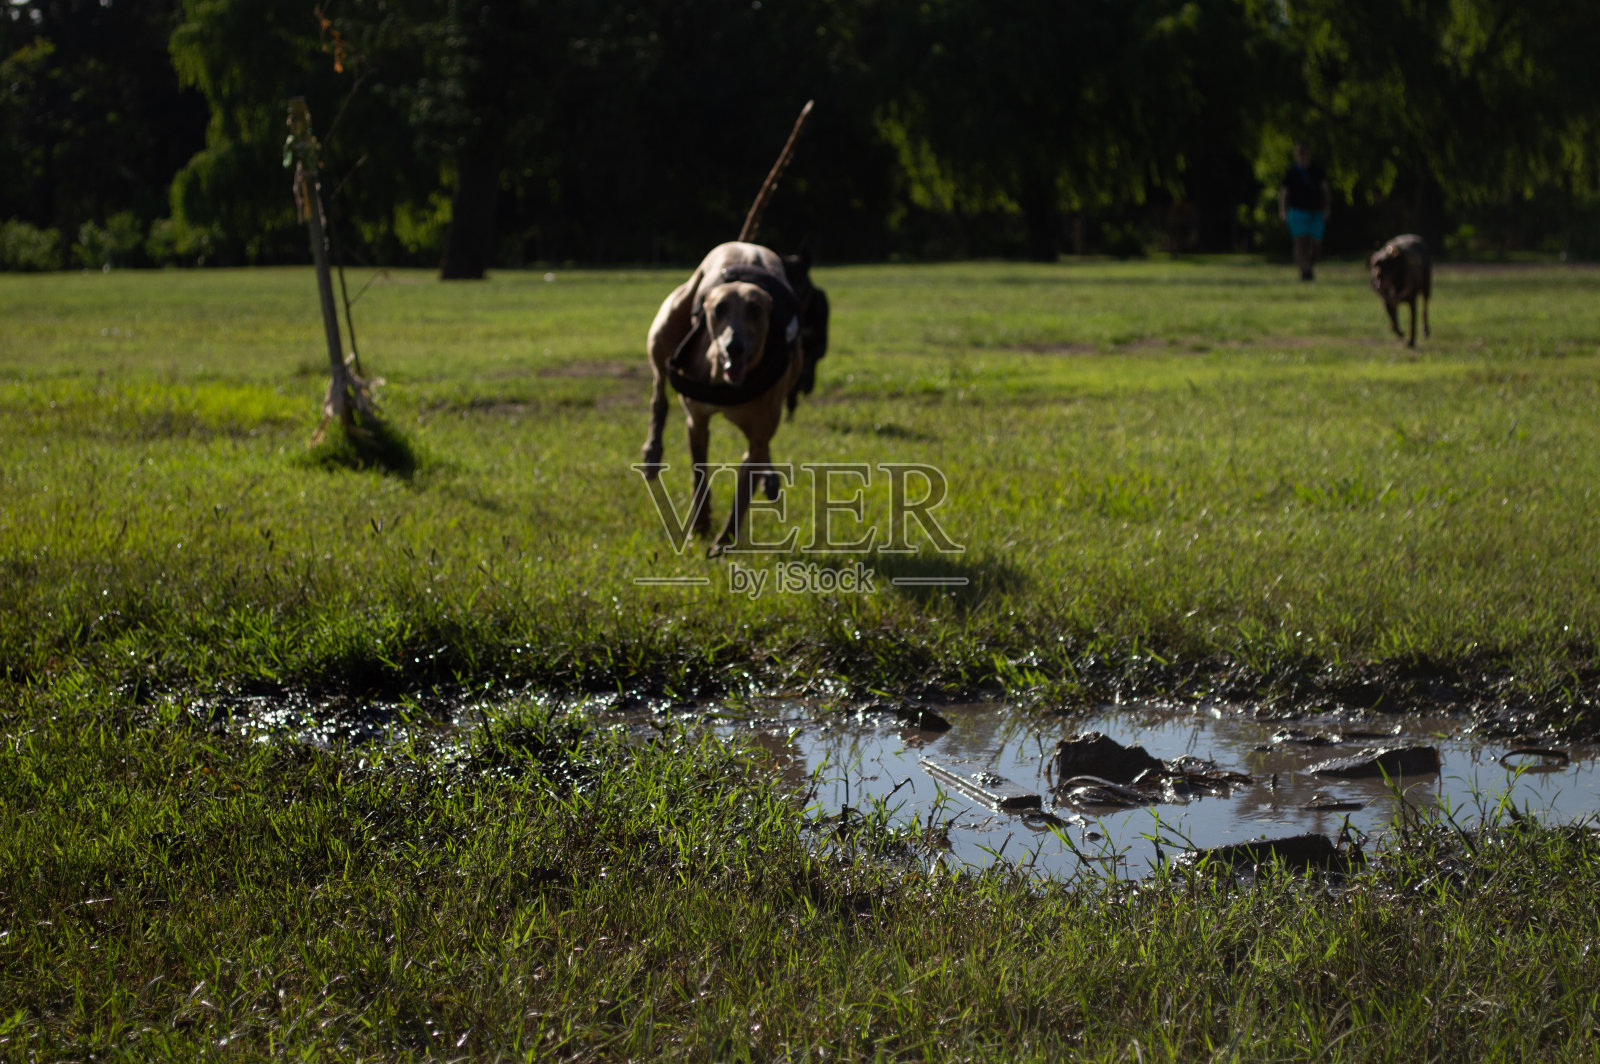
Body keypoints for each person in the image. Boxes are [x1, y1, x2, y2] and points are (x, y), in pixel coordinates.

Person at [1278, 142, 1331, 281]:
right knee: (1299, 242)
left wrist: (1327, 207)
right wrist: (1283, 211)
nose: (1303, 155)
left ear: (1309, 153)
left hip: (1316, 211)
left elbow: (1325, 190)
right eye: (1300, 152)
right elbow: (1284, 193)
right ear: (1297, 154)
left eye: (1305, 152)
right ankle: (1304, 270)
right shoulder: (1291, 172)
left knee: (1316, 245)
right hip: (1297, 212)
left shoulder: (1317, 171)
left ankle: (1309, 266)